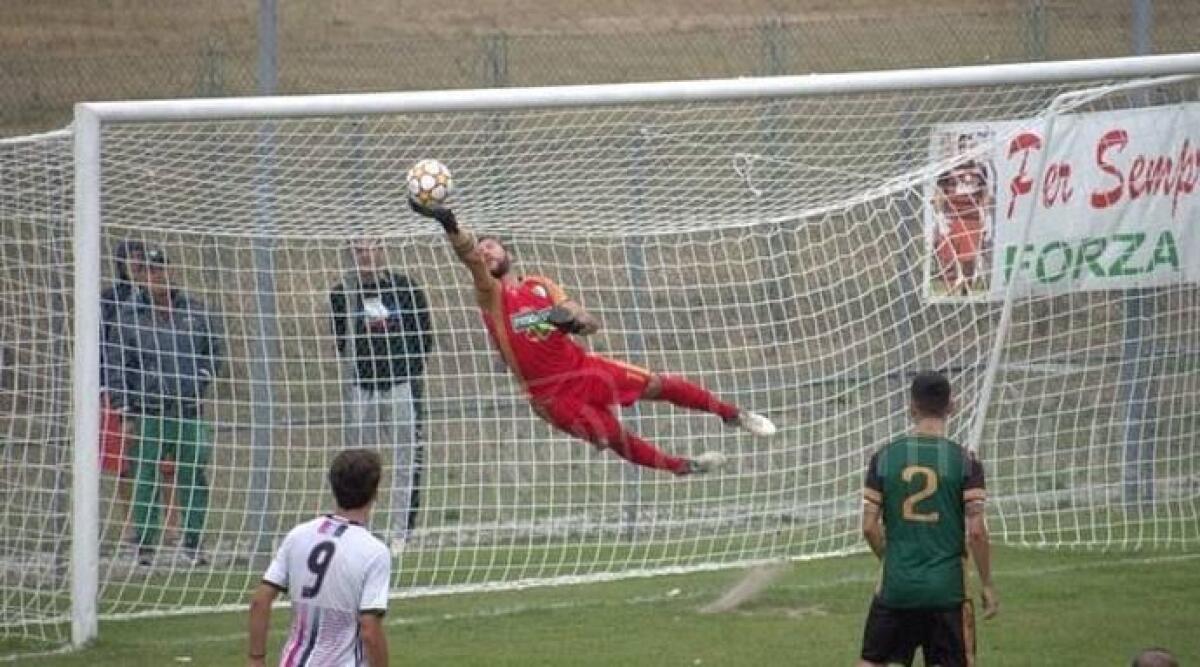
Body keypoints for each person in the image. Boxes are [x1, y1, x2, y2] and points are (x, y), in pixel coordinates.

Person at [408, 199, 775, 476]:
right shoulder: (491, 295)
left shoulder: (540, 285)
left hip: (583, 368)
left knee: (657, 383)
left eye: (491, 245)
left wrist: (574, 323)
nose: (485, 251)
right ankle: (681, 467)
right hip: (552, 395)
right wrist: (449, 223)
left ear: (508, 252)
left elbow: (587, 320)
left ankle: (733, 414)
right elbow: (470, 258)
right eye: (481, 247)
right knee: (613, 437)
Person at [857, 370, 997, 667]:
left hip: (897, 586)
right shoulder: (966, 461)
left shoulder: (885, 457)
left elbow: (869, 527)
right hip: (947, 591)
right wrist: (987, 584)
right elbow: (976, 532)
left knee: (872, 661)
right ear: (952, 407)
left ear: (912, 407)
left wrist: (890, 559)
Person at [105, 247, 224, 566]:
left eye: (161, 269)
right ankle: (145, 546)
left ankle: (194, 543)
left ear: (172, 271)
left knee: (193, 475)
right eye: (149, 271)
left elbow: (214, 351)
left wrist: (201, 379)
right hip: (148, 411)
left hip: (188, 411)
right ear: (141, 277)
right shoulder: (129, 317)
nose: (156, 276)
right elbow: (117, 365)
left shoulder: (196, 312)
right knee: (145, 477)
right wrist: (124, 409)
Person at [330, 237, 433, 553]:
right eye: (359, 250)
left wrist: (406, 368)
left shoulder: (405, 288)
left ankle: (402, 533)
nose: (365, 255)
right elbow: (342, 340)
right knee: (358, 463)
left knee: (406, 460)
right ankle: (360, 529)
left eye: (371, 248)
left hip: (400, 386)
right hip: (362, 388)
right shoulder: (342, 293)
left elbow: (423, 335)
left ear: (382, 250)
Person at [247, 448, 390, 667]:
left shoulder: (298, 535)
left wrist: (256, 658)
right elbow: (369, 629)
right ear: (375, 493)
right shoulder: (374, 552)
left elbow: (260, 600)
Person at [100, 240, 181, 546]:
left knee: (167, 461)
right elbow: (104, 347)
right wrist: (108, 388)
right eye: (131, 261)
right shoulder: (110, 301)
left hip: (162, 394)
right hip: (122, 391)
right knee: (125, 462)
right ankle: (131, 523)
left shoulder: (168, 301)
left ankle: (171, 524)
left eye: (141, 261)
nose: (136, 266)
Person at [932, 157, 993, 296]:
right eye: (962, 146)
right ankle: (950, 288)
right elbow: (939, 193)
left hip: (972, 219)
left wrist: (987, 216)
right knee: (945, 255)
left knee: (968, 259)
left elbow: (985, 194)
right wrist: (940, 217)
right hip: (951, 218)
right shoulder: (948, 167)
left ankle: (966, 291)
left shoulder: (980, 168)